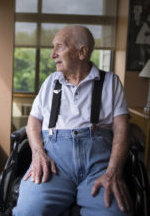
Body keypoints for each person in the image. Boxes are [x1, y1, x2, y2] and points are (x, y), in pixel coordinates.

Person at [13, 25, 132, 216]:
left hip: (98, 167)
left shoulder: (110, 82)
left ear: (82, 52)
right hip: (54, 165)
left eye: (59, 47)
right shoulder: (51, 82)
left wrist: (113, 172)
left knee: (115, 213)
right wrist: (37, 153)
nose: (53, 54)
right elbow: (33, 122)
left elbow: (122, 128)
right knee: (28, 211)